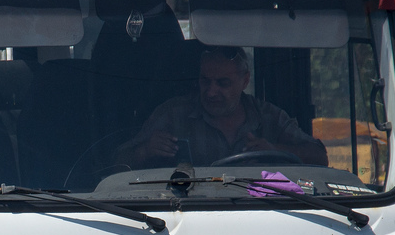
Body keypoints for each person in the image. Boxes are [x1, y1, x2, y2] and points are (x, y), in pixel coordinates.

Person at [118, 46, 328, 168]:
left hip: (259, 215)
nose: (210, 92)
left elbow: (320, 157)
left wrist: (275, 150)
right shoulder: (173, 114)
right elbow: (113, 165)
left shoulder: (268, 117)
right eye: (205, 81)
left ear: (245, 81)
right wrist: (145, 151)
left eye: (222, 83)